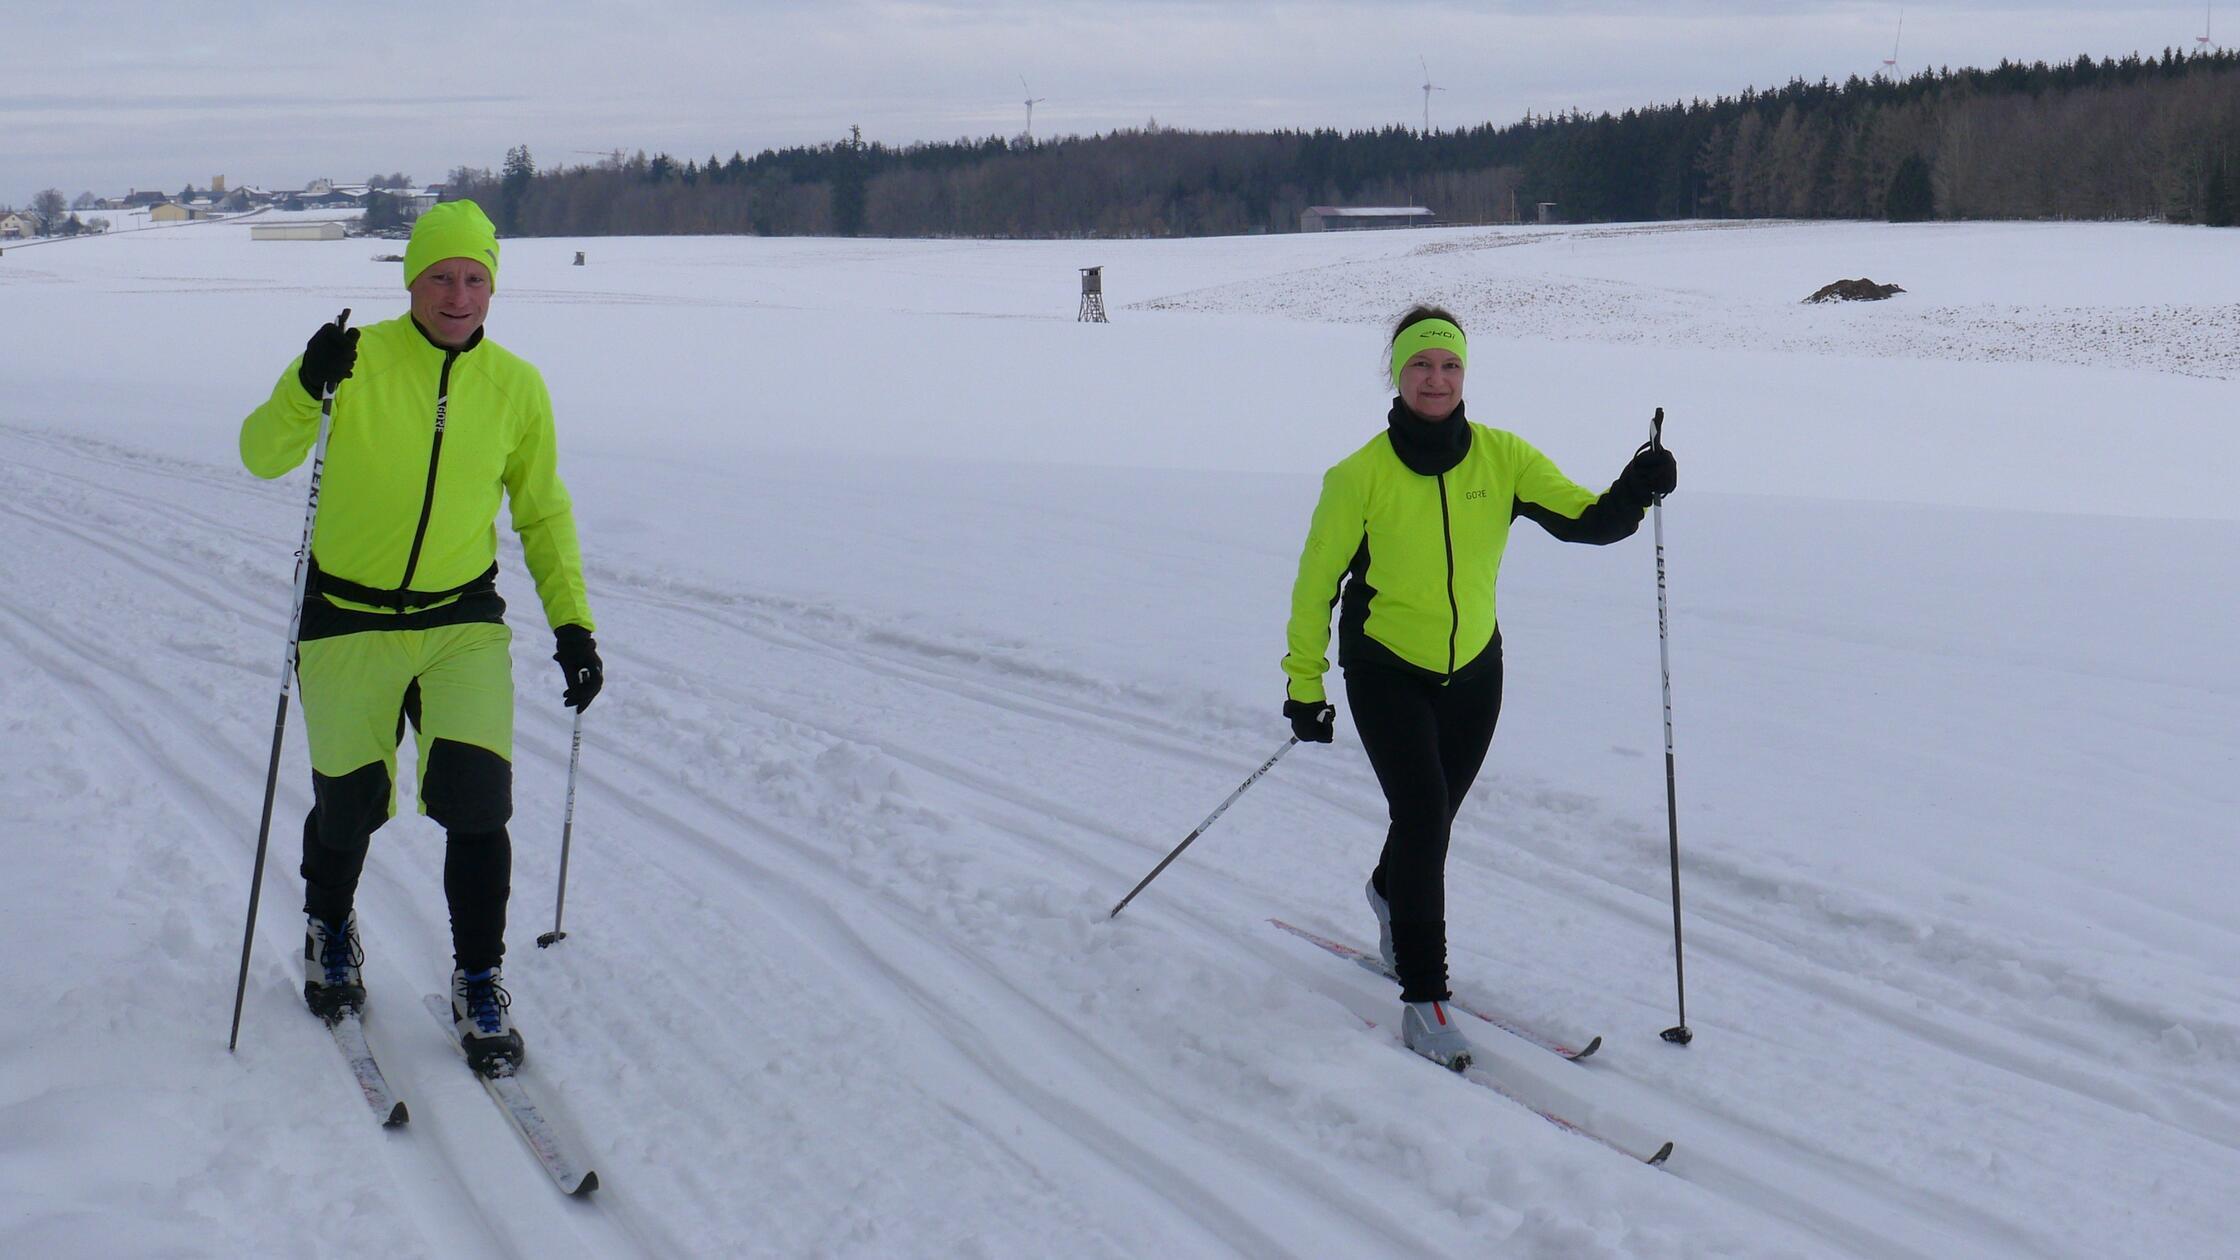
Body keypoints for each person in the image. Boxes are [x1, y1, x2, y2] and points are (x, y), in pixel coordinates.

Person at [239, 200, 603, 1074]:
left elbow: (543, 514)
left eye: (476, 278)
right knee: (350, 805)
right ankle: (329, 926)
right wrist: (304, 383)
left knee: (480, 803)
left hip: (459, 621)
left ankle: (479, 979)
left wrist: (573, 623)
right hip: (348, 620)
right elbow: (261, 453)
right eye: (441, 276)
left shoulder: (517, 386)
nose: (458, 294)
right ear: (410, 280)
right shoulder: (353, 362)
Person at [1280, 305, 1676, 1071]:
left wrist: (1638, 487)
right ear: (1397, 374)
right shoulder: (1357, 477)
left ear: (1465, 375)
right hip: (1386, 668)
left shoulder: (1502, 459)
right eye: (1422, 365)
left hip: (1476, 676)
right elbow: (1313, 588)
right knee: (1423, 815)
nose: (1436, 379)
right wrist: (1305, 686)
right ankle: (1424, 1001)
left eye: (1450, 366)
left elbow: (1587, 521)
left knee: (1429, 820)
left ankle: (1391, 895)